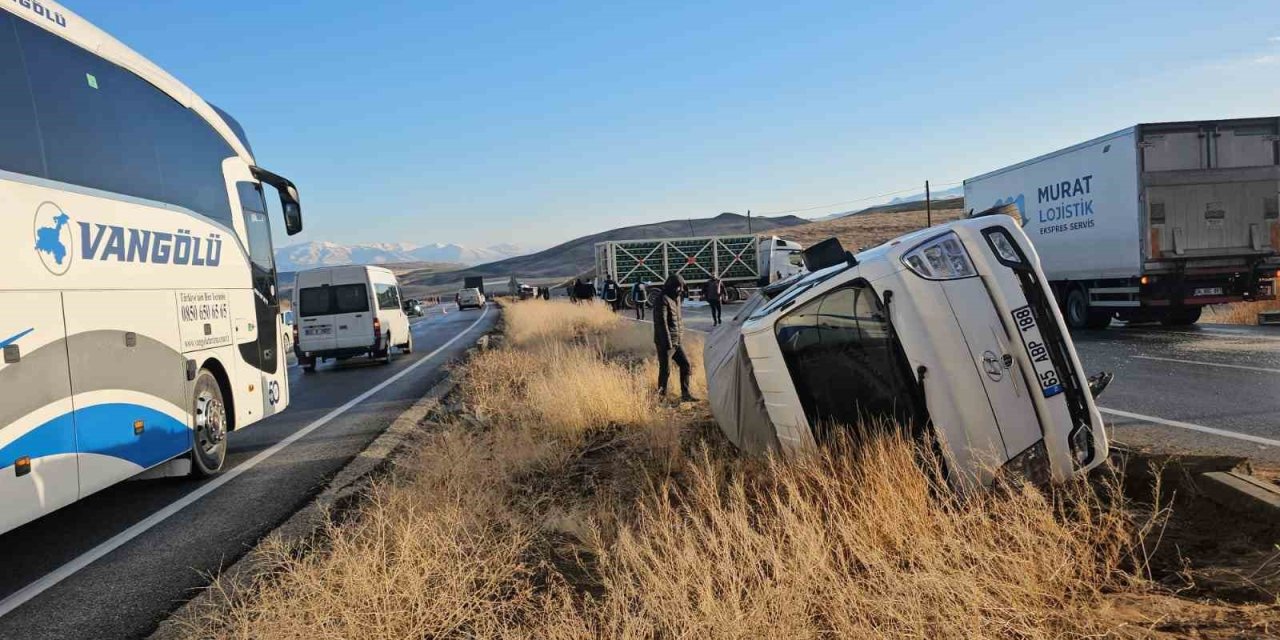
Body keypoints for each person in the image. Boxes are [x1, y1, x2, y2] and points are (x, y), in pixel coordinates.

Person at [654, 274, 694, 401]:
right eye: (679, 287)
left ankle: (686, 395)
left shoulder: (675, 299)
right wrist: (668, 343)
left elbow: (678, 321)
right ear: (672, 286)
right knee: (665, 370)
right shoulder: (662, 299)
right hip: (665, 342)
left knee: (686, 365)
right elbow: (661, 323)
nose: (680, 290)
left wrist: (680, 338)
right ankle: (661, 398)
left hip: (677, 341)